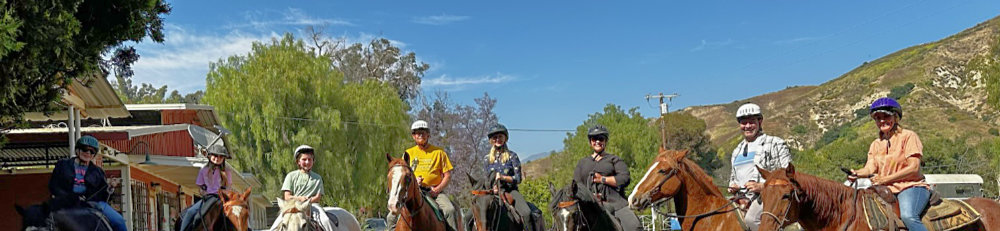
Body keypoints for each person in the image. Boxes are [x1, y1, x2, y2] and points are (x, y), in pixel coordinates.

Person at [849, 97, 929, 231]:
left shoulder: (908, 136)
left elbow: (914, 167)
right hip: (884, 189)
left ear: (895, 117)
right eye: (877, 118)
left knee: (908, 216)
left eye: (886, 116)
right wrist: (856, 173)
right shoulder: (875, 144)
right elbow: (870, 168)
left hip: (910, 187)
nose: (882, 121)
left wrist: (885, 179)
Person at [727, 103, 792, 231]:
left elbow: (788, 176)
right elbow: (733, 177)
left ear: (760, 121)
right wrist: (733, 186)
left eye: (751, 122)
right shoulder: (736, 151)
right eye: (744, 123)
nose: (747, 126)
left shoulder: (775, 143)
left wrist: (762, 186)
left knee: (752, 220)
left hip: (767, 197)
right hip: (741, 198)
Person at [387, 120, 461, 230]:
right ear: (413, 136)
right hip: (414, 192)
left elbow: (447, 175)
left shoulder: (439, 153)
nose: (420, 135)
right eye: (417, 133)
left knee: (450, 210)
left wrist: (437, 189)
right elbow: (402, 174)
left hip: (434, 192)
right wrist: (414, 181)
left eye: (423, 132)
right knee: (390, 217)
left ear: (428, 135)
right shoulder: (408, 153)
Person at [48, 135, 128, 231]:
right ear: (77, 150)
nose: (88, 153)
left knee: (119, 221)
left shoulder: (98, 172)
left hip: (93, 203)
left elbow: (104, 195)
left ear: (94, 155)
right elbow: (54, 186)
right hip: (66, 202)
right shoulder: (63, 165)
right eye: (85, 149)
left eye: (92, 151)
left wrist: (110, 188)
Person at [571, 125, 642, 231]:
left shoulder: (614, 159)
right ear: (590, 142)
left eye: (601, 138)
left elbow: (624, 178)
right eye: (594, 139)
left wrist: (602, 179)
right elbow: (576, 184)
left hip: (615, 204)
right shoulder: (582, 162)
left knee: (634, 226)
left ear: (605, 141)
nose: (598, 142)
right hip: (589, 206)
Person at [478, 123, 534, 230]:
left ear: (505, 138)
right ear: (491, 140)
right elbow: (486, 179)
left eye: (500, 136)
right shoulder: (486, 159)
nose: (497, 139)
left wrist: (503, 177)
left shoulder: (513, 156)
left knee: (527, 213)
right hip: (492, 193)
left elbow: (518, 179)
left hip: (510, 191)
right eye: (495, 137)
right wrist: (492, 188)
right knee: (469, 216)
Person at [269, 145, 336, 231]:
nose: (307, 162)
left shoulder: (317, 178)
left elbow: (318, 197)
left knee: (326, 220)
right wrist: (299, 198)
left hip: (312, 205)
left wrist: (307, 202)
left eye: (310, 159)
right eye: (304, 159)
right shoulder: (291, 176)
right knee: (275, 225)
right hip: (292, 207)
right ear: (298, 162)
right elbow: (287, 196)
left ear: (313, 161)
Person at [179, 145, 232, 230]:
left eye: (221, 156)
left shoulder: (227, 171)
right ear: (210, 156)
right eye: (215, 155)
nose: (217, 158)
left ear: (224, 158)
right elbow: (200, 186)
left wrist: (223, 193)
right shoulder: (204, 170)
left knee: (238, 212)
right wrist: (204, 192)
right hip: (208, 198)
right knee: (190, 212)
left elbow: (228, 187)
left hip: (222, 198)